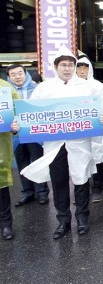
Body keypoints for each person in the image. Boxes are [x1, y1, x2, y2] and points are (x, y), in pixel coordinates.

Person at [25, 46, 98, 239]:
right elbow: (31, 113)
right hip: (55, 144)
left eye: (71, 65)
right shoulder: (44, 89)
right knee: (58, 181)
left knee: (81, 178)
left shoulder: (86, 87)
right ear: (56, 67)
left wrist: (100, 117)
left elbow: (97, 110)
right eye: (63, 65)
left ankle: (82, 217)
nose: (67, 69)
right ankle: (63, 220)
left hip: (80, 142)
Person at [5, 64, 49, 206]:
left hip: (34, 133)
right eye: (13, 74)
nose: (17, 77)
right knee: (22, 163)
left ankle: (42, 193)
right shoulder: (5, 93)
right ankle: (28, 192)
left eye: (20, 73)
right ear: (8, 77)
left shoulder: (37, 89)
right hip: (16, 135)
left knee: (37, 163)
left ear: (26, 74)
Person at [76, 56, 103, 203]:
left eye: (85, 68)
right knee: (79, 161)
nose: (82, 71)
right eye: (79, 68)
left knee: (96, 158)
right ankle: (81, 191)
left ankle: (97, 188)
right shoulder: (70, 87)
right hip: (77, 131)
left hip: (94, 130)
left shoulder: (98, 86)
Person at [0, 80, 19, 240]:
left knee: (1, 188)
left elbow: (17, 110)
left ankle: (6, 224)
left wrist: (14, 126)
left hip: (0, 146)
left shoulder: (4, 88)